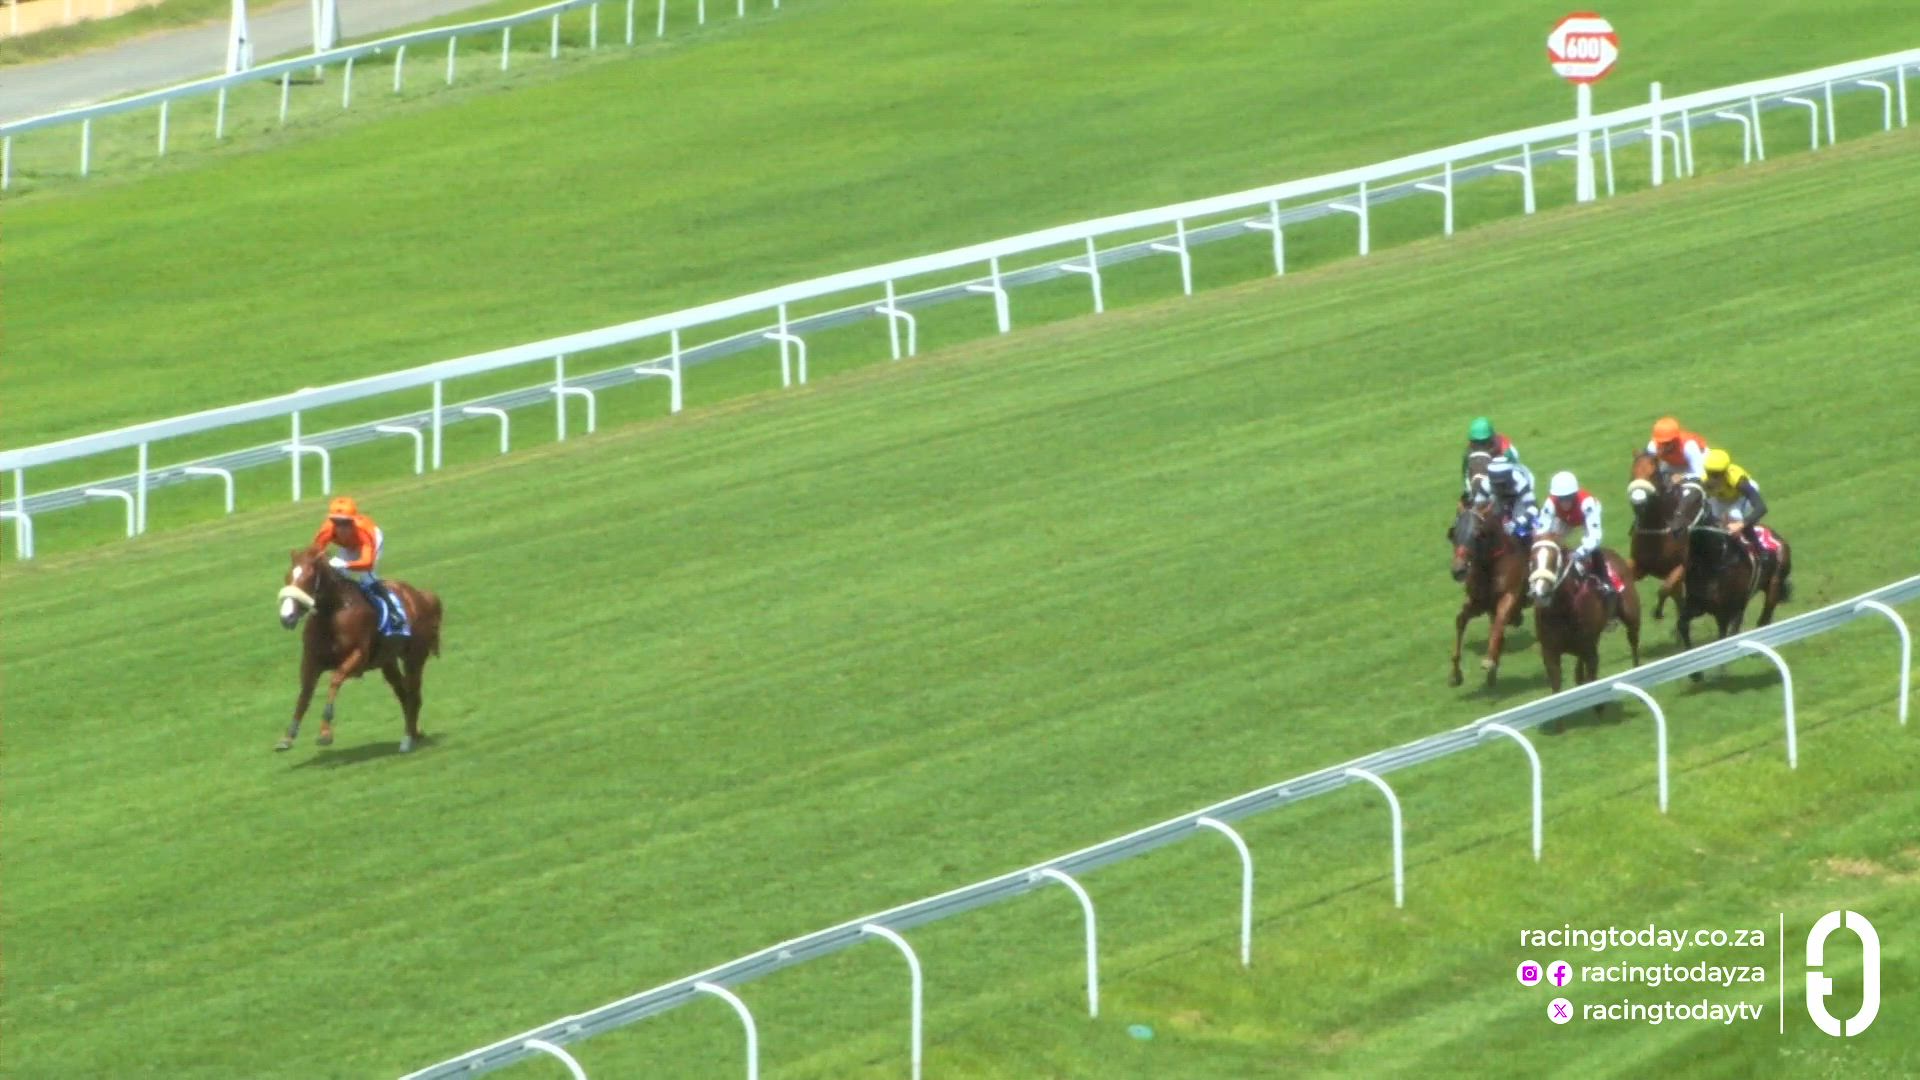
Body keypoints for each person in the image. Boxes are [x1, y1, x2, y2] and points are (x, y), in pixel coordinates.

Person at [309, 496, 409, 636]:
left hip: (368, 543)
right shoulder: (327, 529)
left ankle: (395, 613)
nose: (341, 528)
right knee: (337, 577)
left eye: (346, 523)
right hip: (348, 546)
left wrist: (346, 564)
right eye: (336, 522)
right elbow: (314, 553)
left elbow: (367, 563)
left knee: (367, 578)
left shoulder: (364, 532)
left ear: (353, 521)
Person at [1535, 471, 1613, 599]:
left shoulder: (1588, 503)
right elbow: (1542, 531)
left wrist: (1580, 552)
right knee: (1548, 544)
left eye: (1569, 497)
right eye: (1561, 499)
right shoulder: (1550, 503)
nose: (1565, 502)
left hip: (1584, 518)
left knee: (1593, 549)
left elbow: (1595, 536)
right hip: (1564, 520)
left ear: (1575, 495)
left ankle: (1605, 581)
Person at [1699, 448, 1774, 568]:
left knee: (1735, 516)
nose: (1712, 480)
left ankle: (1760, 551)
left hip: (1740, 495)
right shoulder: (1703, 481)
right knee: (1710, 520)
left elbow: (1761, 507)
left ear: (1725, 473)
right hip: (1722, 497)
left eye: (1717, 476)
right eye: (1710, 474)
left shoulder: (1738, 480)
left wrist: (1741, 524)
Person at [1460, 417, 1521, 503]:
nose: (1480, 447)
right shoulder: (1468, 453)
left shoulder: (1506, 451)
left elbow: (1516, 475)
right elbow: (1466, 476)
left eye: (1484, 443)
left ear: (1492, 439)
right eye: (1476, 443)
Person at [1483, 457, 1538, 536]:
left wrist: (1517, 522)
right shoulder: (1487, 484)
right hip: (1500, 496)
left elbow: (1533, 509)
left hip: (1519, 497)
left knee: (1521, 528)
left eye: (1502, 484)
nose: (1500, 487)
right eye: (1497, 485)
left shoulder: (1521, 482)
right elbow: (1479, 506)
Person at [1646, 416, 1711, 480]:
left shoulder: (1689, 446)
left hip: (1699, 456)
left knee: (1691, 482)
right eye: (1660, 442)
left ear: (1675, 439)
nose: (1663, 446)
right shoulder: (1652, 447)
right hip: (1675, 463)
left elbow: (1700, 473)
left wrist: (1682, 477)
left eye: (1667, 443)